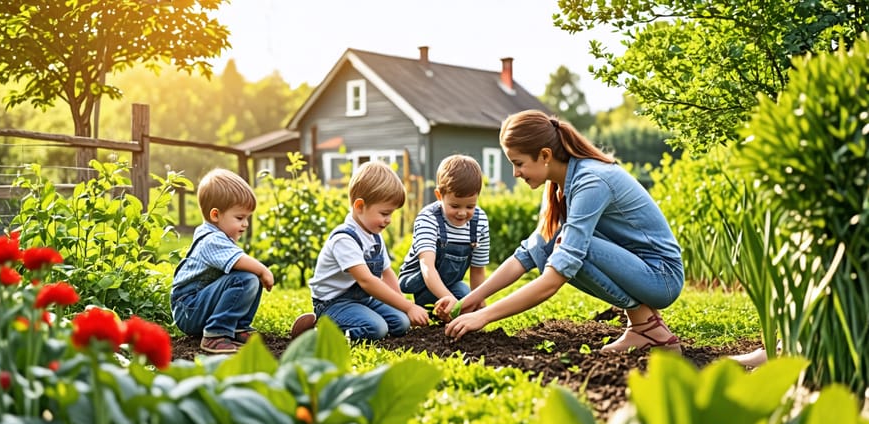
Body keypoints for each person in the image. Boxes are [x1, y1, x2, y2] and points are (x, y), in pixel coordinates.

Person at [443, 110, 684, 353]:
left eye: (518, 163)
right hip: (641, 270)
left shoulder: (591, 181)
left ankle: (648, 327)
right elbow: (528, 253)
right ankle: (644, 327)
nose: (516, 173)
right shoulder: (559, 185)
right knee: (551, 244)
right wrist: (470, 300)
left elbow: (552, 280)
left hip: (661, 277)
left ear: (545, 155)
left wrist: (484, 316)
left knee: (570, 247)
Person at [290, 161, 429, 341]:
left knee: (401, 322)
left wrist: (403, 306)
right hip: (333, 304)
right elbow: (367, 281)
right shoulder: (344, 239)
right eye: (385, 213)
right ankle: (317, 333)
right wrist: (410, 307)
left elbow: (387, 274)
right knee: (376, 328)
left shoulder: (374, 236)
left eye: (391, 214)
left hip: (363, 300)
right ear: (359, 206)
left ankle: (351, 322)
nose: (389, 220)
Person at [171, 168, 274, 354]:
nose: (245, 224)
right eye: (240, 218)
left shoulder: (219, 236)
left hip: (198, 304)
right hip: (188, 309)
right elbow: (240, 261)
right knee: (247, 278)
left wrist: (257, 272)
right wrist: (263, 270)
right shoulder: (212, 240)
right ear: (215, 215)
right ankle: (216, 334)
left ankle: (236, 328)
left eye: (247, 218)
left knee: (249, 276)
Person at [398, 154, 490, 319]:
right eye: (455, 205)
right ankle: (426, 309)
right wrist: (448, 299)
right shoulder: (429, 218)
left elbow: (477, 270)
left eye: (470, 206)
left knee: (466, 299)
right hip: (421, 283)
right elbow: (427, 267)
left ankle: (444, 312)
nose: (462, 213)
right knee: (457, 304)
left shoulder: (479, 221)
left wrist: (478, 302)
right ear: (439, 195)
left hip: (451, 282)